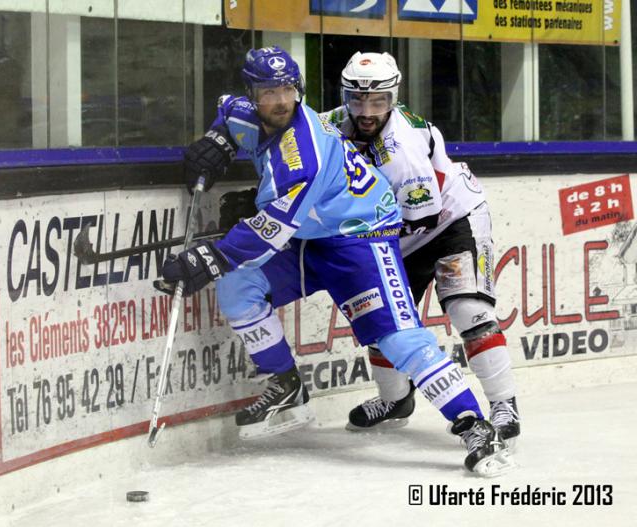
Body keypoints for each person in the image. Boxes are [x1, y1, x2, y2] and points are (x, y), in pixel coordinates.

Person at [157, 46, 512, 476]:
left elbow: (273, 228)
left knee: (399, 339)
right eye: (268, 92)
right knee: (238, 287)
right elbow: (227, 111)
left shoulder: (304, 152)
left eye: (287, 90)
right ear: (254, 95)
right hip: (313, 235)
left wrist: (212, 256)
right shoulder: (244, 112)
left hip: (362, 237)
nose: (280, 101)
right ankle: (286, 384)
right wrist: (217, 139)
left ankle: (474, 424)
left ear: (299, 91)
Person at [321, 51, 520, 446]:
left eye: (377, 102)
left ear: (392, 99)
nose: (366, 111)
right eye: (357, 100)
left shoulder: (402, 152)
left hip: (449, 220)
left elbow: (420, 220)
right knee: (381, 320)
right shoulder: (329, 124)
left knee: (469, 309)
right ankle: (396, 400)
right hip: (393, 229)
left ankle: (504, 405)